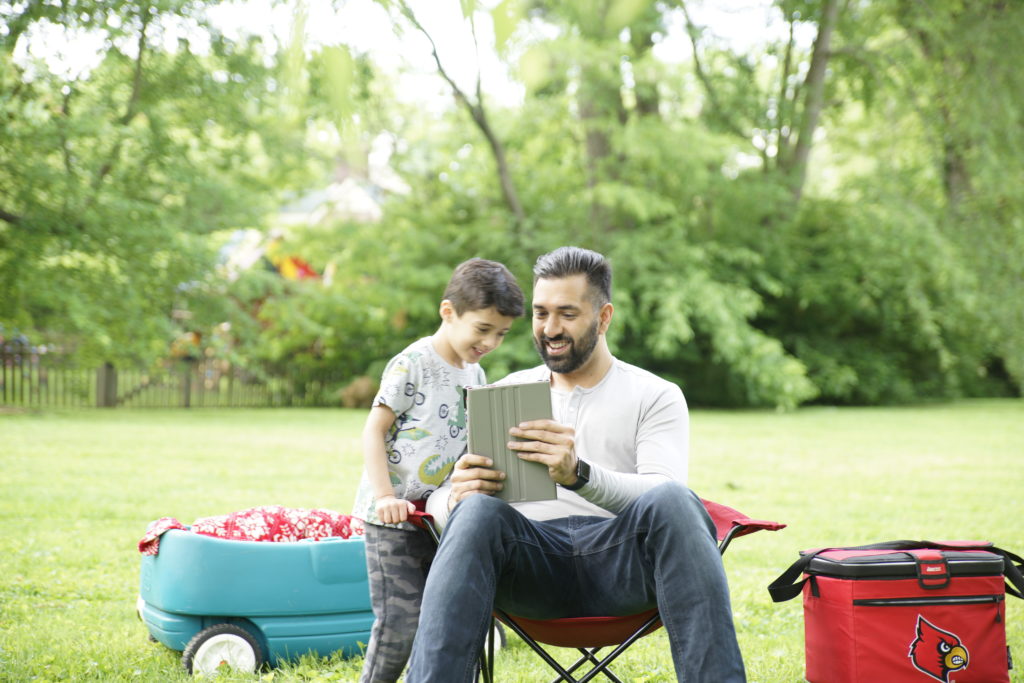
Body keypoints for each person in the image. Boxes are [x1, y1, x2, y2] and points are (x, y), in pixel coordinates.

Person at [406, 246, 746, 682]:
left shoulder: (655, 394)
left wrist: (578, 475)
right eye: (540, 313)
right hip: (530, 570)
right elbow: (439, 502)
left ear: (604, 318)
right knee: (474, 511)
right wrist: (455, 497)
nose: (550, 329)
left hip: (623, 568)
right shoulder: (505, 393)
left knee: (676, 501)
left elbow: (664, 491)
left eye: (567, 313)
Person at [351, 258, 525, 683]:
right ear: (449, 313)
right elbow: (373, 431)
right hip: (392, 520)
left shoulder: (476, 372)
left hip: (440, 516)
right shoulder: (413, 363)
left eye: (501, 334)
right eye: (483, 329)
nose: (490, 342)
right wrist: (386, 497)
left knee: (444, 621)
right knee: (399, 627)